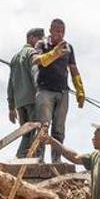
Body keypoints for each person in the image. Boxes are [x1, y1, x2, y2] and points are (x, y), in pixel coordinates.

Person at [33, 18, 85, 162]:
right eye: (57, 31)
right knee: (43, 127)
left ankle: (56, 160)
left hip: (62, 92)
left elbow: (73, 68)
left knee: (59, 129)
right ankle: (39, 159)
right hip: (45, 91)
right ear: (50, 30)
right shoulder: (42, 44)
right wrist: (54, 53)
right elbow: (36, 60)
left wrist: (80, 89)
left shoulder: (68, 47)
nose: (60, 34)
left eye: (62, 31)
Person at [10, 28, 44, 157]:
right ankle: (30, 158)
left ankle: (21, 157)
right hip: (32, 99)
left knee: (26, 133)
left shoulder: (15, 58)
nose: (41, 41)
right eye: (39, 38)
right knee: (36, 131)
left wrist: (11, 106)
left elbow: (10, 84)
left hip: (20, 103)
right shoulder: (32, 53)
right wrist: (41, 89)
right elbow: (36, 73)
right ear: (31, 38)